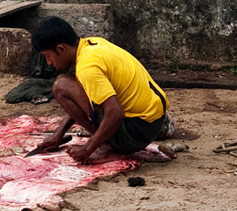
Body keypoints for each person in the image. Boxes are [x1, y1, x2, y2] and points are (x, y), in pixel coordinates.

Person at [31, 17, 171, 164]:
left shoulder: (87, 67)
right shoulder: (93, 44)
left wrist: (88, 148)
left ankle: (106, 143)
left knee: (60, 86)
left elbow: (115, 113)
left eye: (48, 56)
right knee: (66, 84)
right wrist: (59, 134)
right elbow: (83, 97)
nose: (49, 63)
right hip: (154, 122)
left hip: (134, 134)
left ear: (61, 49)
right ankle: (105, 138)